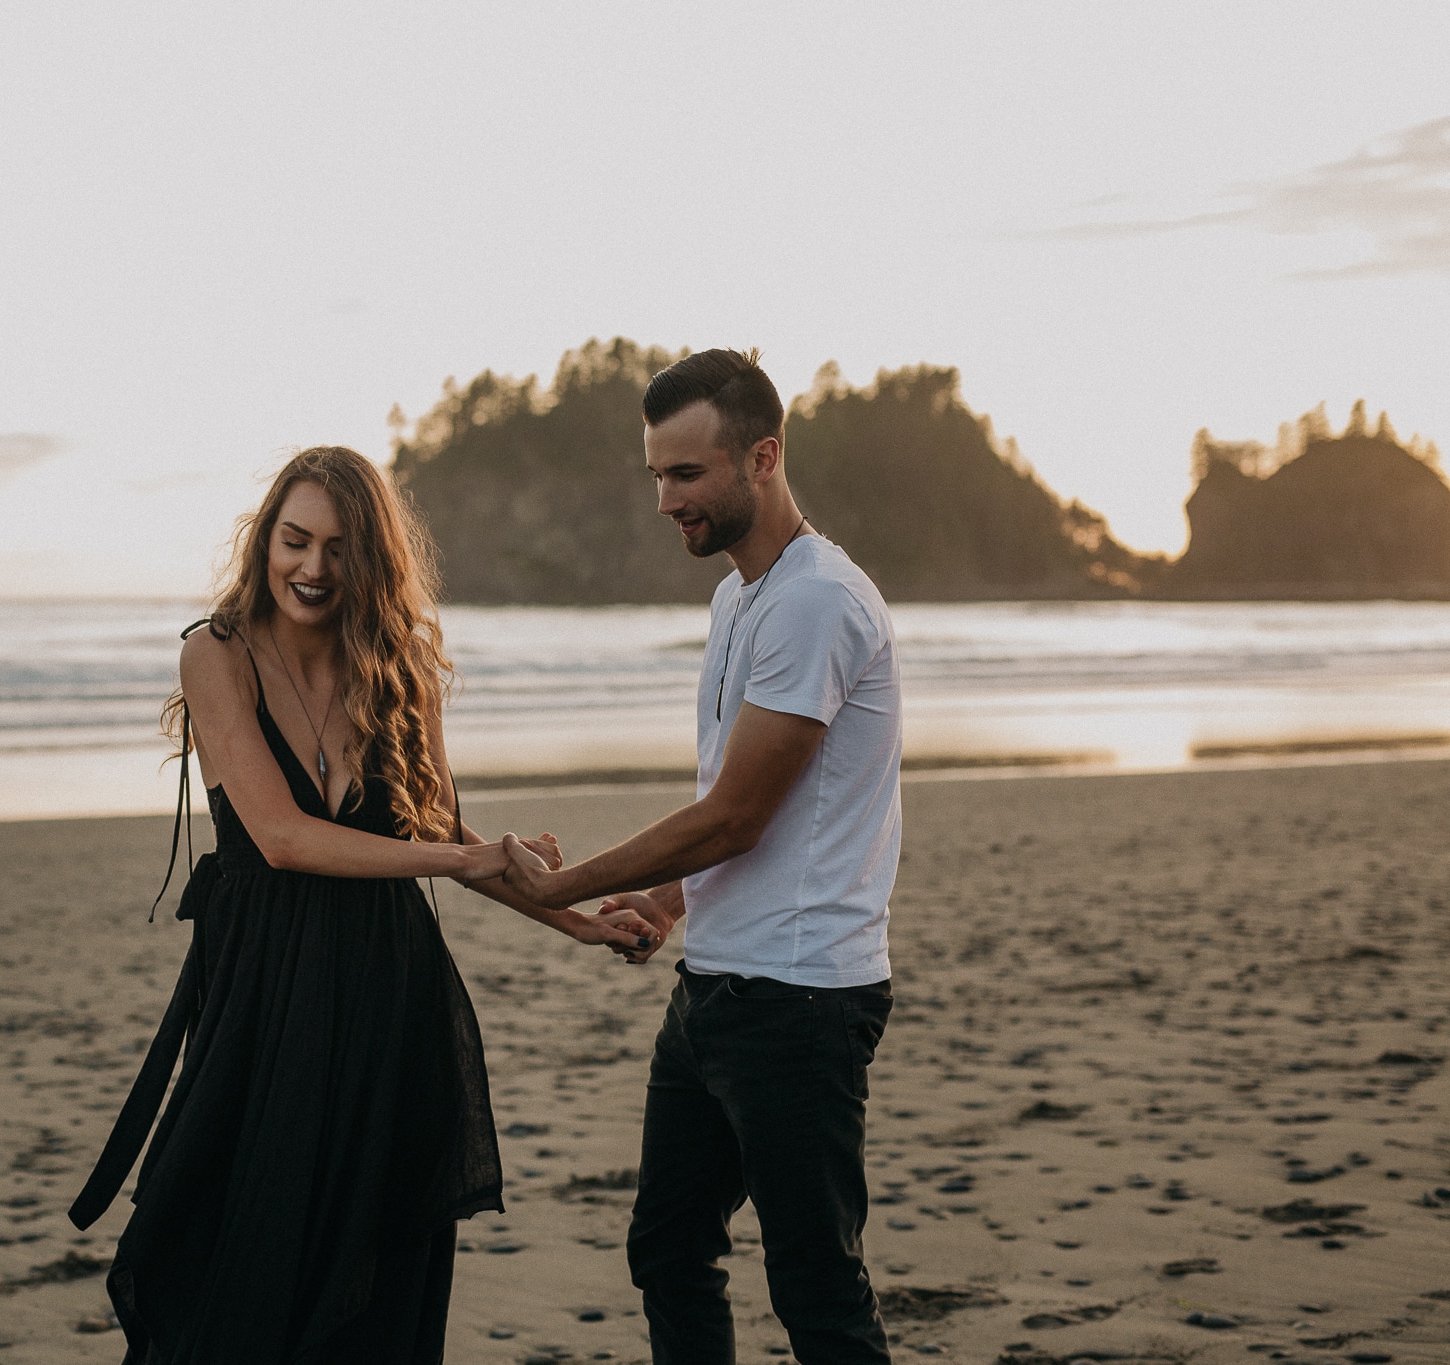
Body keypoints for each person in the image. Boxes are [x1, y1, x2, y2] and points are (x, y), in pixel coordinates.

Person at [68, 446, 655, 1363]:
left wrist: (574, 916)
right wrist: (469, 851)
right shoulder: (215, 656)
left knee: (379, 1274)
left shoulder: (398, 667)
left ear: (371, 558)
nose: (312, 568)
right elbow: (282, 837)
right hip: (264, 1000)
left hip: (390, 994)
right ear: (265, 541)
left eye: (339, 549)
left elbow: (444, 833)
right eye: (294, 541)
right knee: (236, 1251)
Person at [500, 350, 901, 1365]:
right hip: (717, 990)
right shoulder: (737, 601)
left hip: (799, 1000)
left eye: (686, 475)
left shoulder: (816, 602)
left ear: (761, 458)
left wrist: (563, 883)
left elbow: (735, 817)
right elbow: (735, 810)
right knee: (668, 1248)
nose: (665, 500)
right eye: (654, 476)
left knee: (815, 1288)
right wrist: (668, 904)